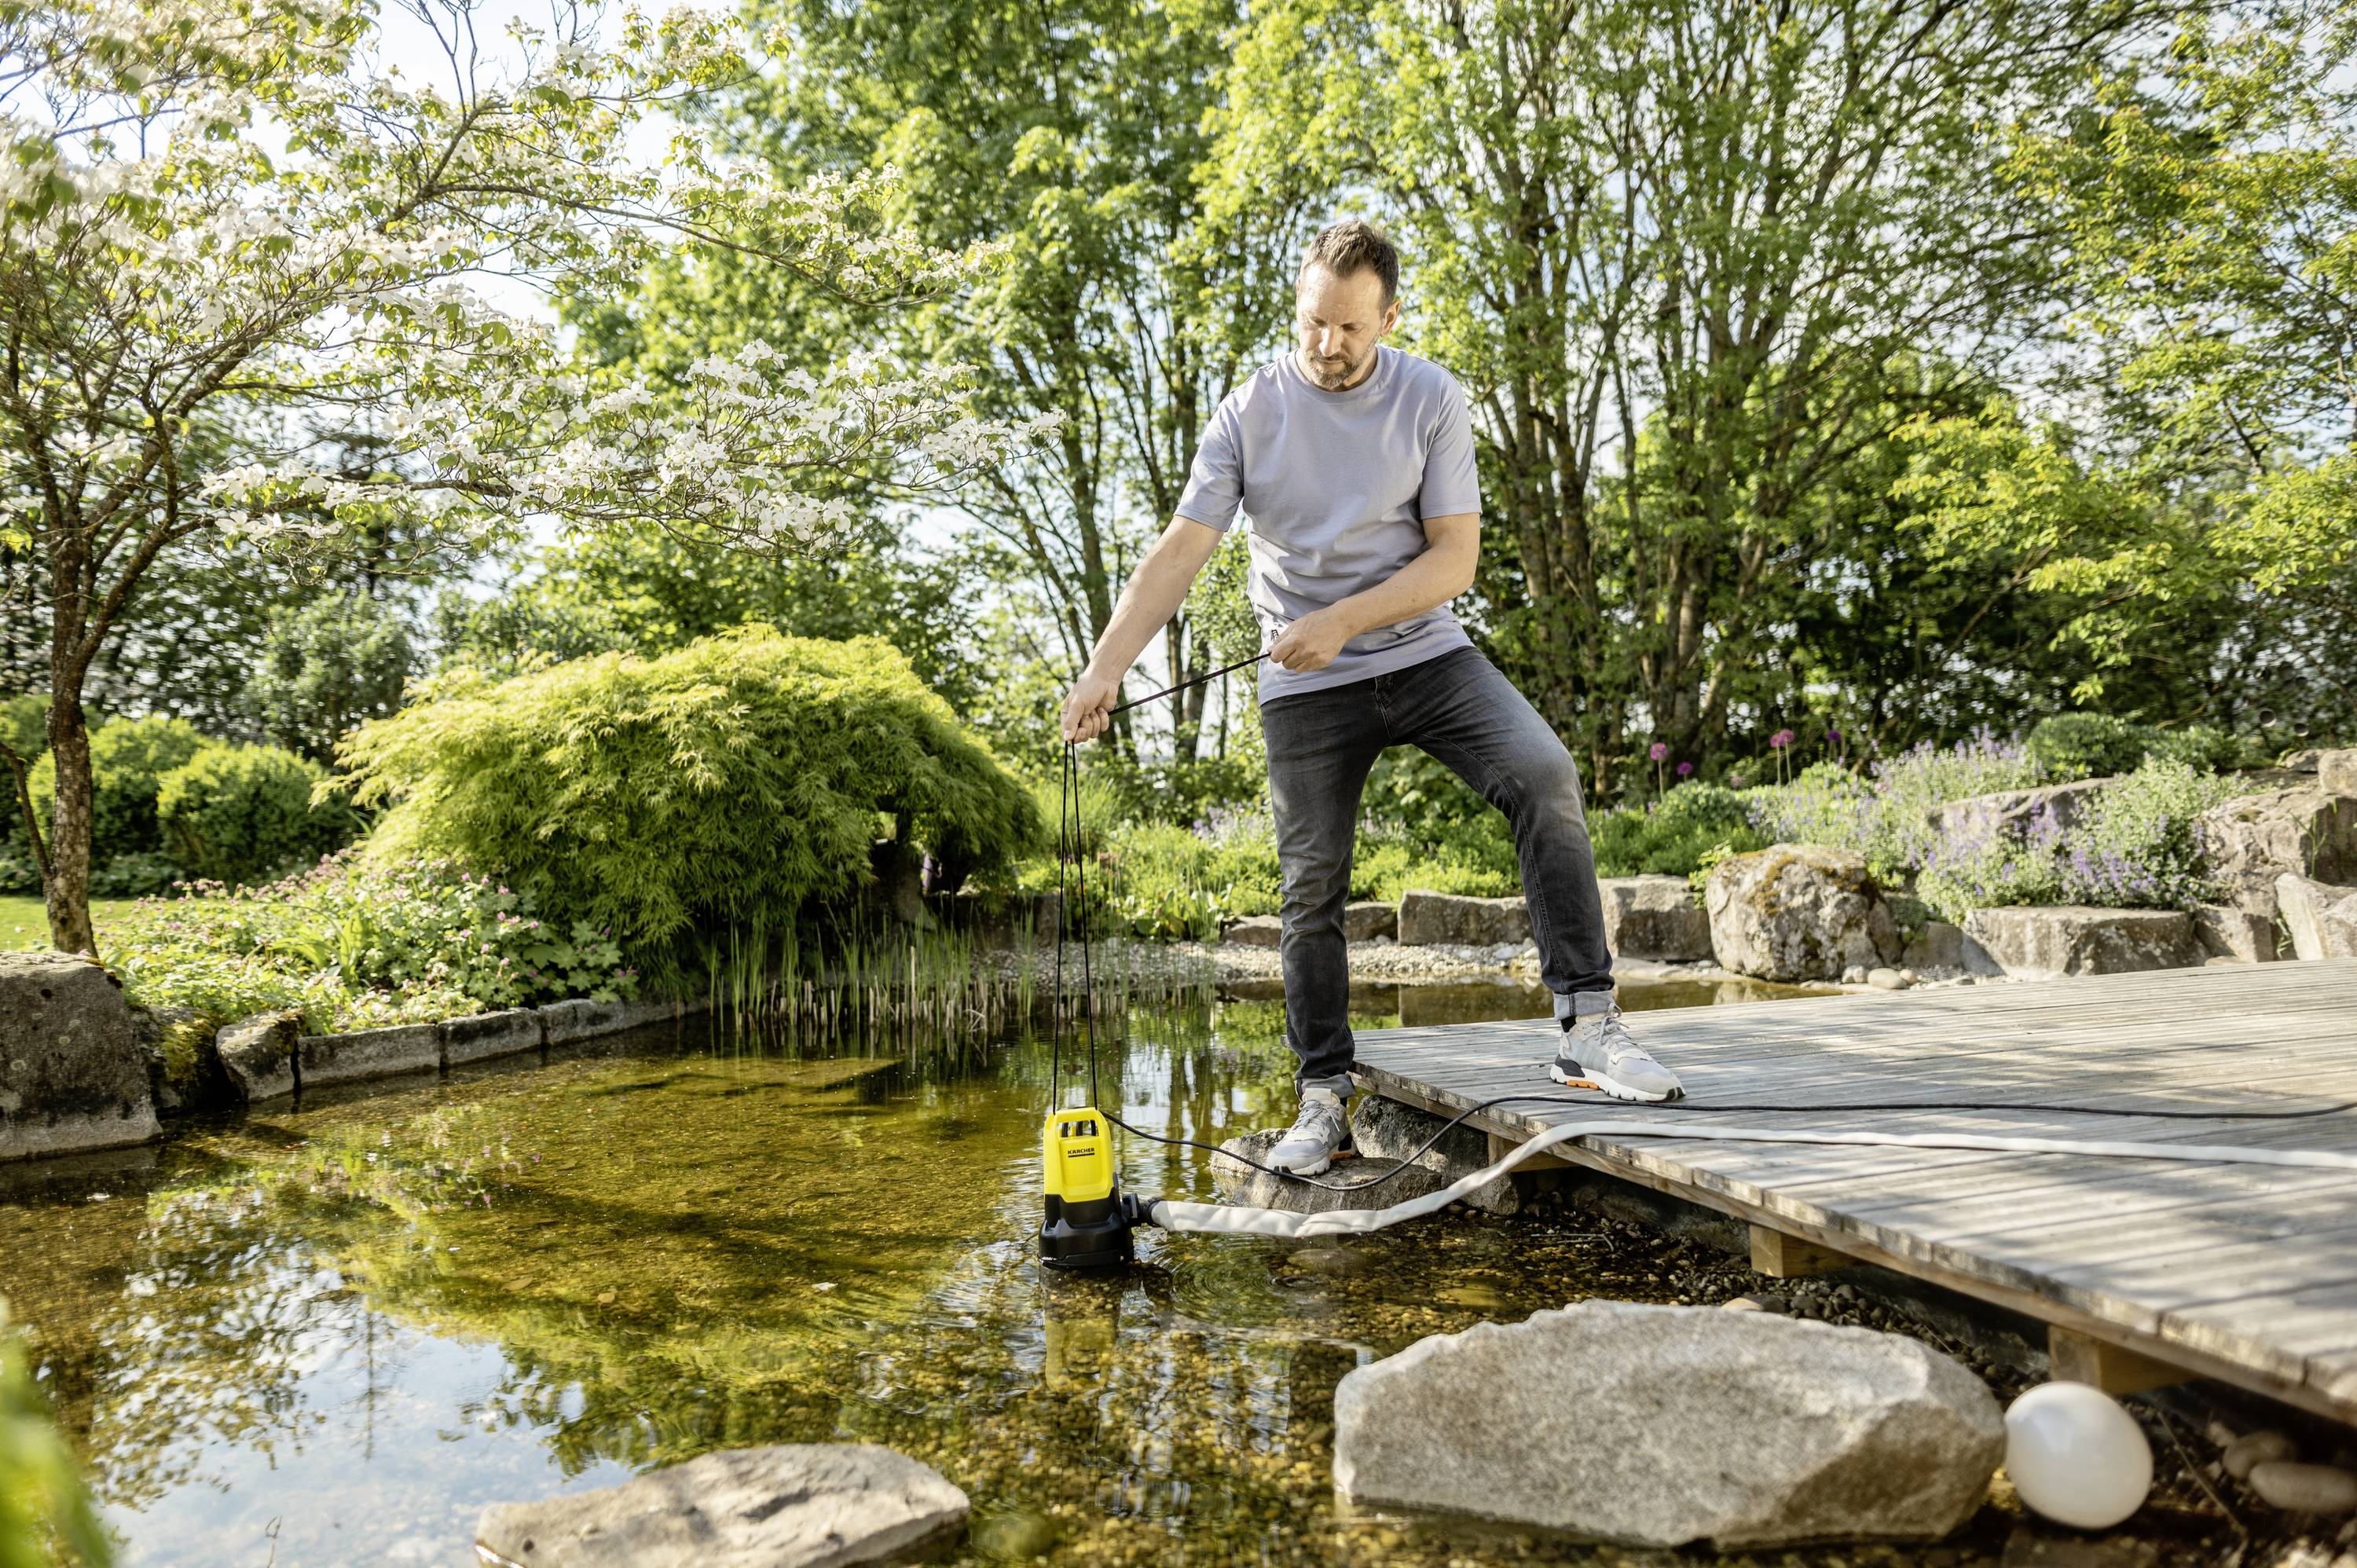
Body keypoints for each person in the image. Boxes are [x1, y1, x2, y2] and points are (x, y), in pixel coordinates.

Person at [1058, 218, 1683, 1175]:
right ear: (1298, 309)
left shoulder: (1430, 398)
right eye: (1314, 322)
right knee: (1310, 885)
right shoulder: (1247, 414)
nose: (1328, 344)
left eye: (1351, 327)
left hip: (1425, 651)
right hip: (1306, 683)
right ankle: (1321, 1090)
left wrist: (1345, 618)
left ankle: (1587, 1027)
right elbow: (1179, 553)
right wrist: (1106, 669)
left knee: (1544, 772)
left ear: (1387, 317)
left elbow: (1455, 559)